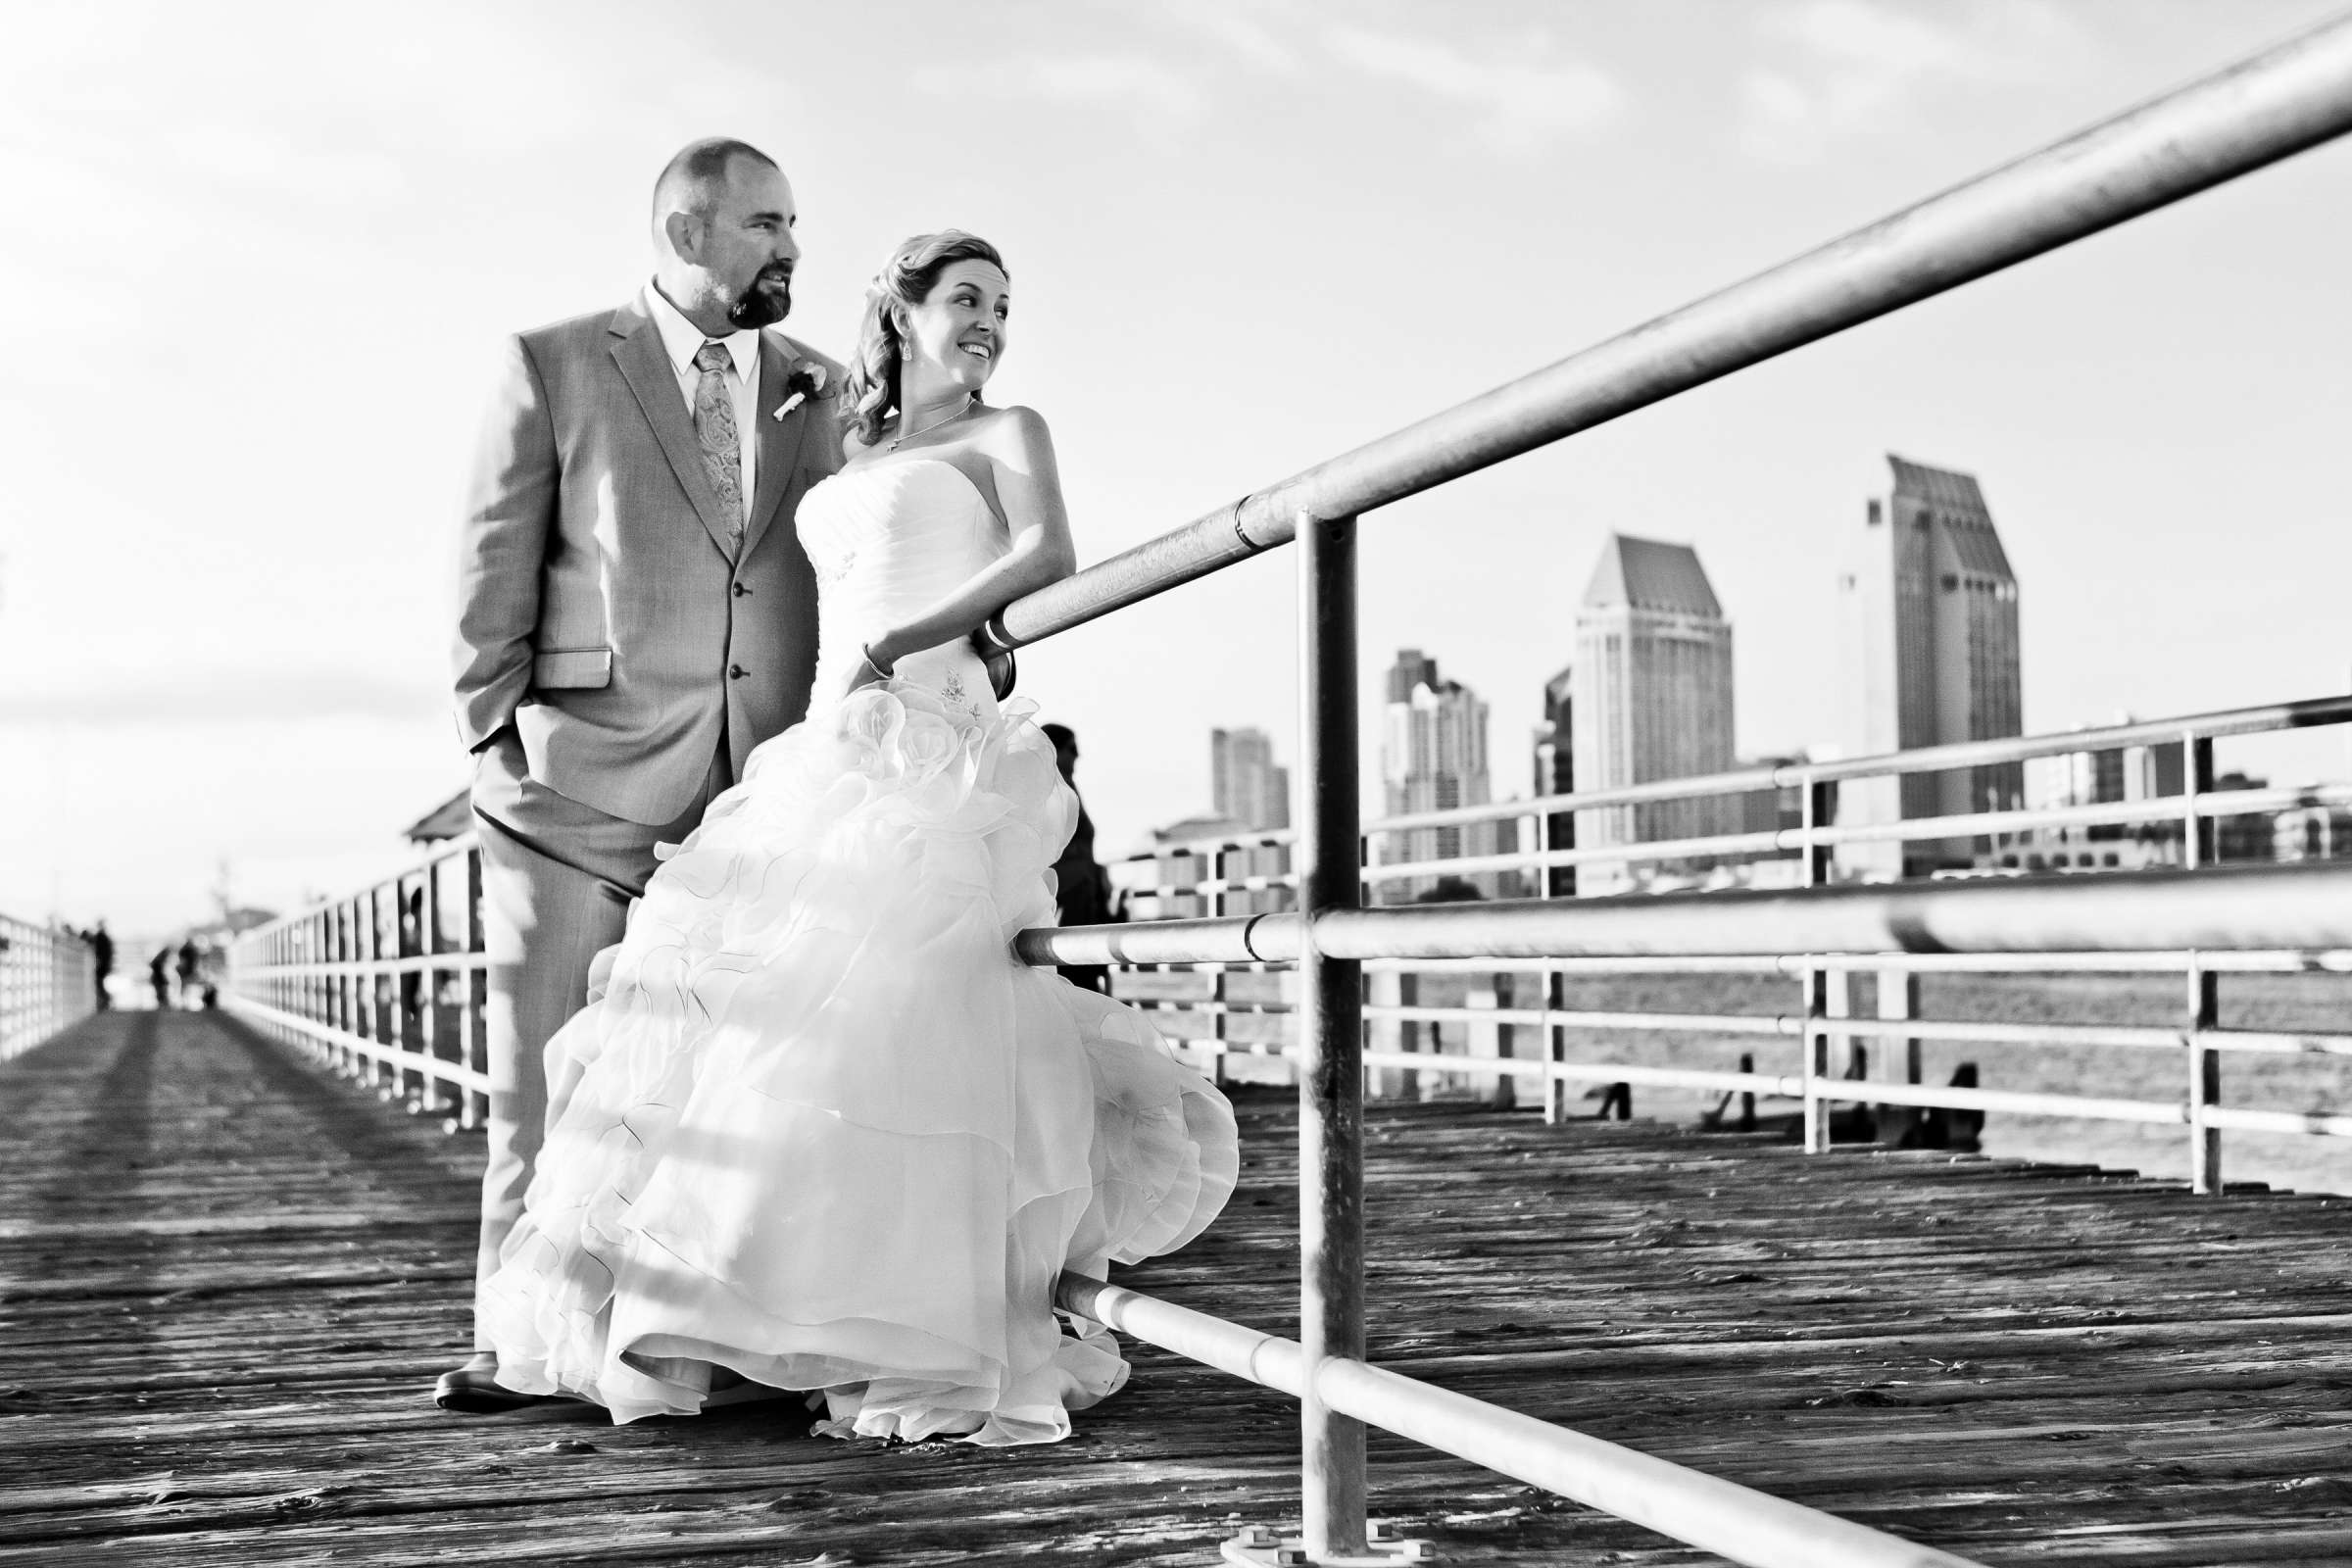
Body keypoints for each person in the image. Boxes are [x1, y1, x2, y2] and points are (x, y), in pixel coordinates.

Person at [477, 230, 1238, 1446]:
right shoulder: (858, 436)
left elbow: (1048, 555)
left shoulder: (1010, 430)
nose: (990, 322)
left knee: (892, 1022)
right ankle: (734, 1321)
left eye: (1003, 305)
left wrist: (918, 640)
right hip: (824, 746)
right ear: (906, 310)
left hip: (927, 735)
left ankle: (893, 1327)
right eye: (967, 300)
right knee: (768, 1033)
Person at [441, 138, 847, 1413]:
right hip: (573, 785)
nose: (791, 246)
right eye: (768, 222)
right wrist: (493, 741)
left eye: (793, 223)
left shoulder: (820, 387)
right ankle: (513, 1344)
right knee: (548, 1077)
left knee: (727, 1092)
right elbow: (490, 562)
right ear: (686, 229)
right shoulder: (555, 363)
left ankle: (702, 1346)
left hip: (757, 788)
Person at [1041, 723, 1116, 995]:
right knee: (1078, 986)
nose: (1078, 756)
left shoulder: (1066, 786)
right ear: (1053, 751)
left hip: (1083, 903)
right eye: (1072, 749)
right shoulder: (1048, 788)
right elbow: (1046, 850)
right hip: (1069, 909)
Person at [88, 921, 114, 1011]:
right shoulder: (105, 938)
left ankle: (105, 1001)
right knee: (99, 983)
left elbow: (100, 951)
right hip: (104, 965)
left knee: (99, 983)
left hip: (102, 965)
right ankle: (105, 1001)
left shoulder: (100, 937)